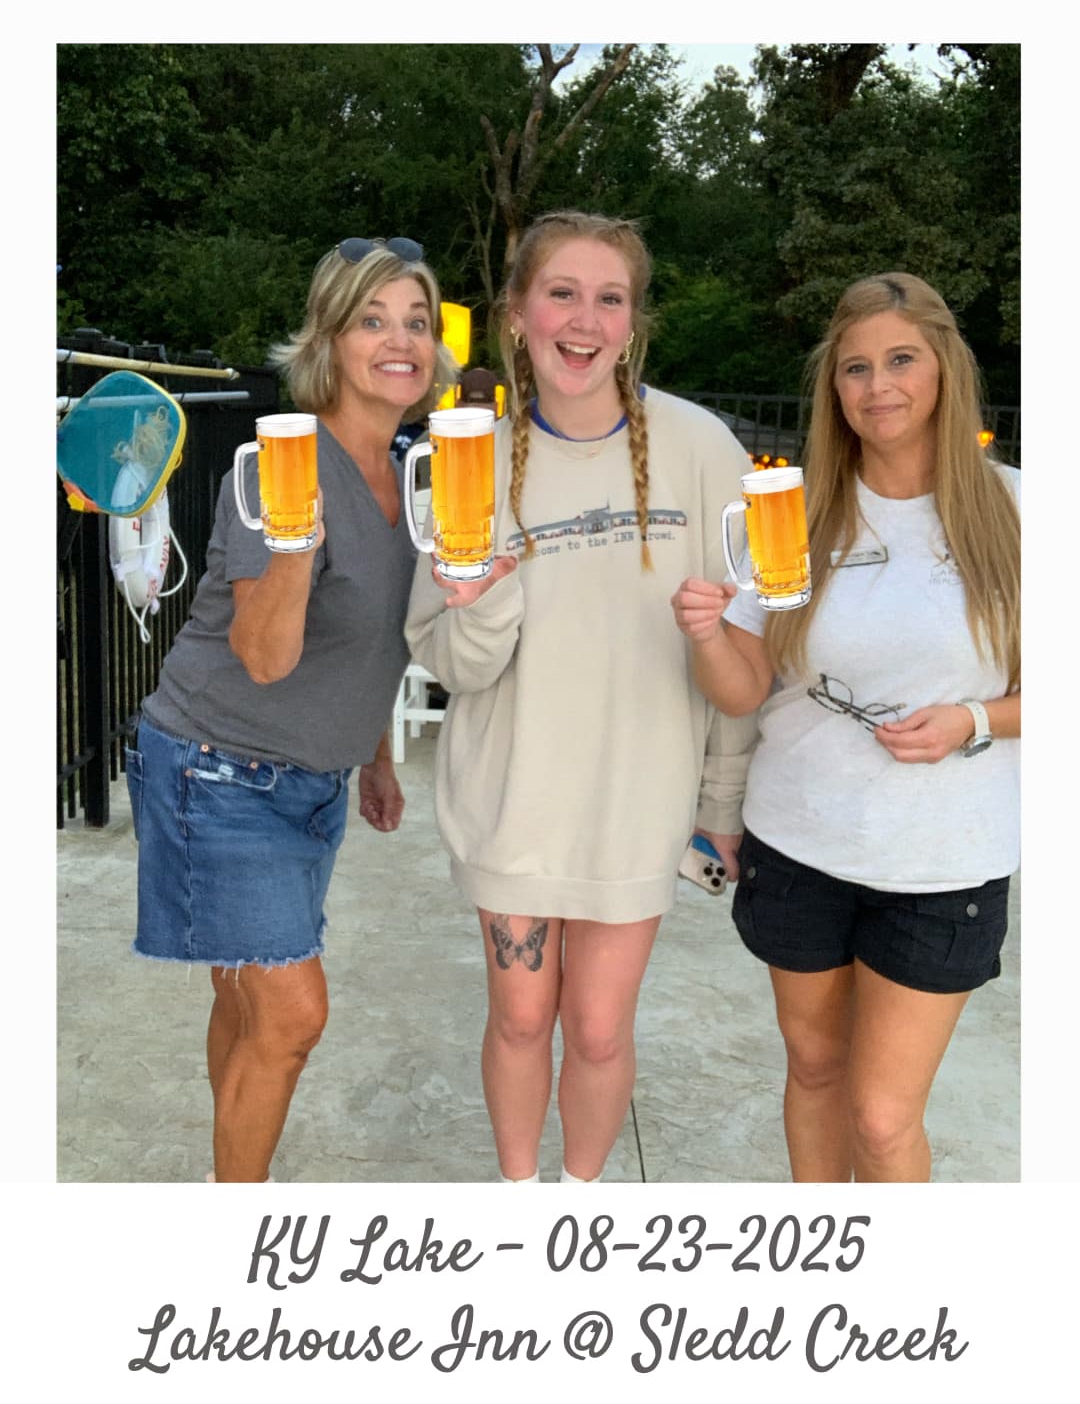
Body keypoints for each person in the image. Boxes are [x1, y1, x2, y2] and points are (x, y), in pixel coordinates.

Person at [404, 210, 758, 1183]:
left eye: (611, 297)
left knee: (599, 1031)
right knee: (521, 1016)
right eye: (561, 291)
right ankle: (520, 1204)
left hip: (635, 809)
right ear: (517, 312)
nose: (585, 318)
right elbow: (453, 664)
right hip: (511, 803)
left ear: (634, 319)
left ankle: (579, 1204)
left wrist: (719, 808)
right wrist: (487, 600)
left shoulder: (702, 448)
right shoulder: (471, 462)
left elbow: (750, 651)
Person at [671, 271, 1020, 1183]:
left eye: (901, 359)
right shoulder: (794, 513)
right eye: (855, 368)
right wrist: (708, 632)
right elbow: (745, 691)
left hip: (942, 863)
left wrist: (977, 720)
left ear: (945, 365)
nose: (878, 387)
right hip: (801, 845)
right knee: (817, 1072)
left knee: (881, 1115)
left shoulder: (1020, 509)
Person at [127, 236, 457, 1182]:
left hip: (307, 782)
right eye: (372, 320)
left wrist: (376, 758)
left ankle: (225, 1172)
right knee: (291, 1014)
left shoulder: (412, 472)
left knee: (247, 1004)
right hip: (216, 765)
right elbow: (266, 658)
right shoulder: (281, 465)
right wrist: (294, 543)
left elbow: (372, 637)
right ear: (328, 340)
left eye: (416, 321)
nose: (400, 341)